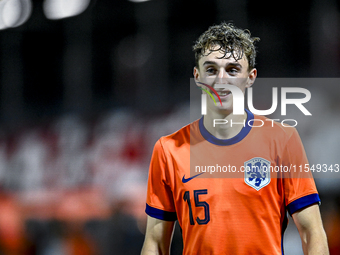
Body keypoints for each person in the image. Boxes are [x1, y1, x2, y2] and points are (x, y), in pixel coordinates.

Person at [141, 22, 329, 255]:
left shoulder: (282, 139)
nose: (221, 80)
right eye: (211, 70)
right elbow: (155, 242)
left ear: (250, 77)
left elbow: (312, 232)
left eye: (232, 70)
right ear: (197, 76)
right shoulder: (168, 149)